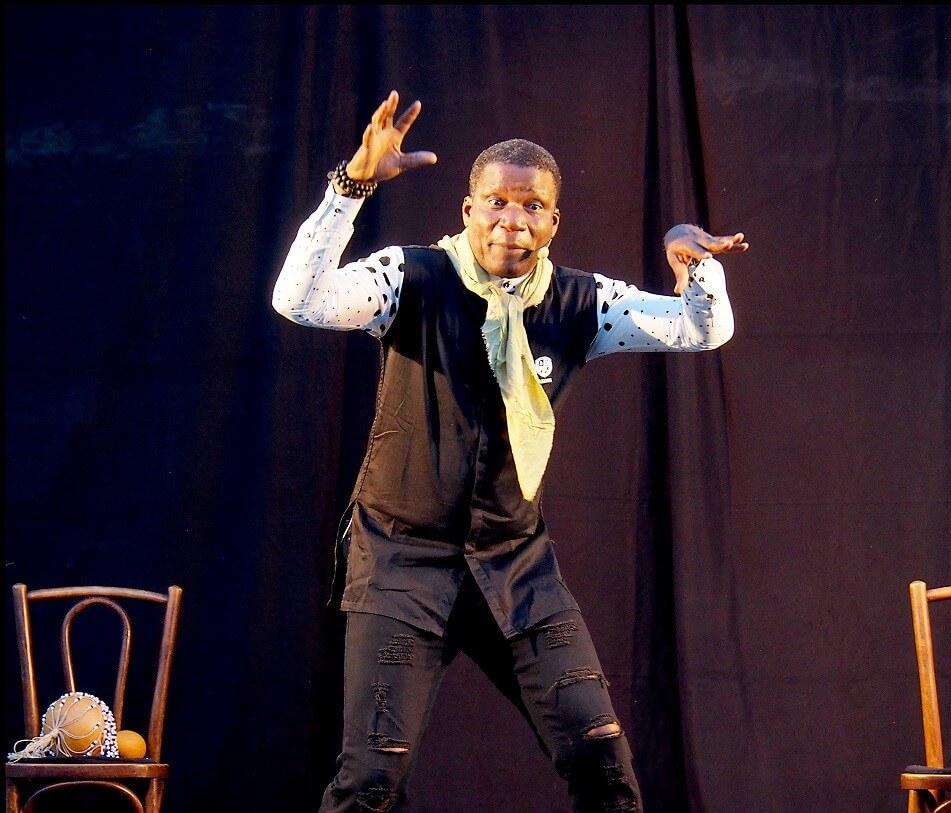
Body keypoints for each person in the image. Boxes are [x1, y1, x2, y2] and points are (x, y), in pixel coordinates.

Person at [273, 90, 749, 813]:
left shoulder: (580, 303)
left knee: (603, 765)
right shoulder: (410, 278)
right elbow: (299, 300)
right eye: (496, 202)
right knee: (369, 783)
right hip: (400, 561)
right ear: (469, 210)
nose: (512, 220)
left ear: (552, 222)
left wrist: (695, 265)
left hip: (515, 565)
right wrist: (351, 187)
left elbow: (699, 330)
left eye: (532, 207)